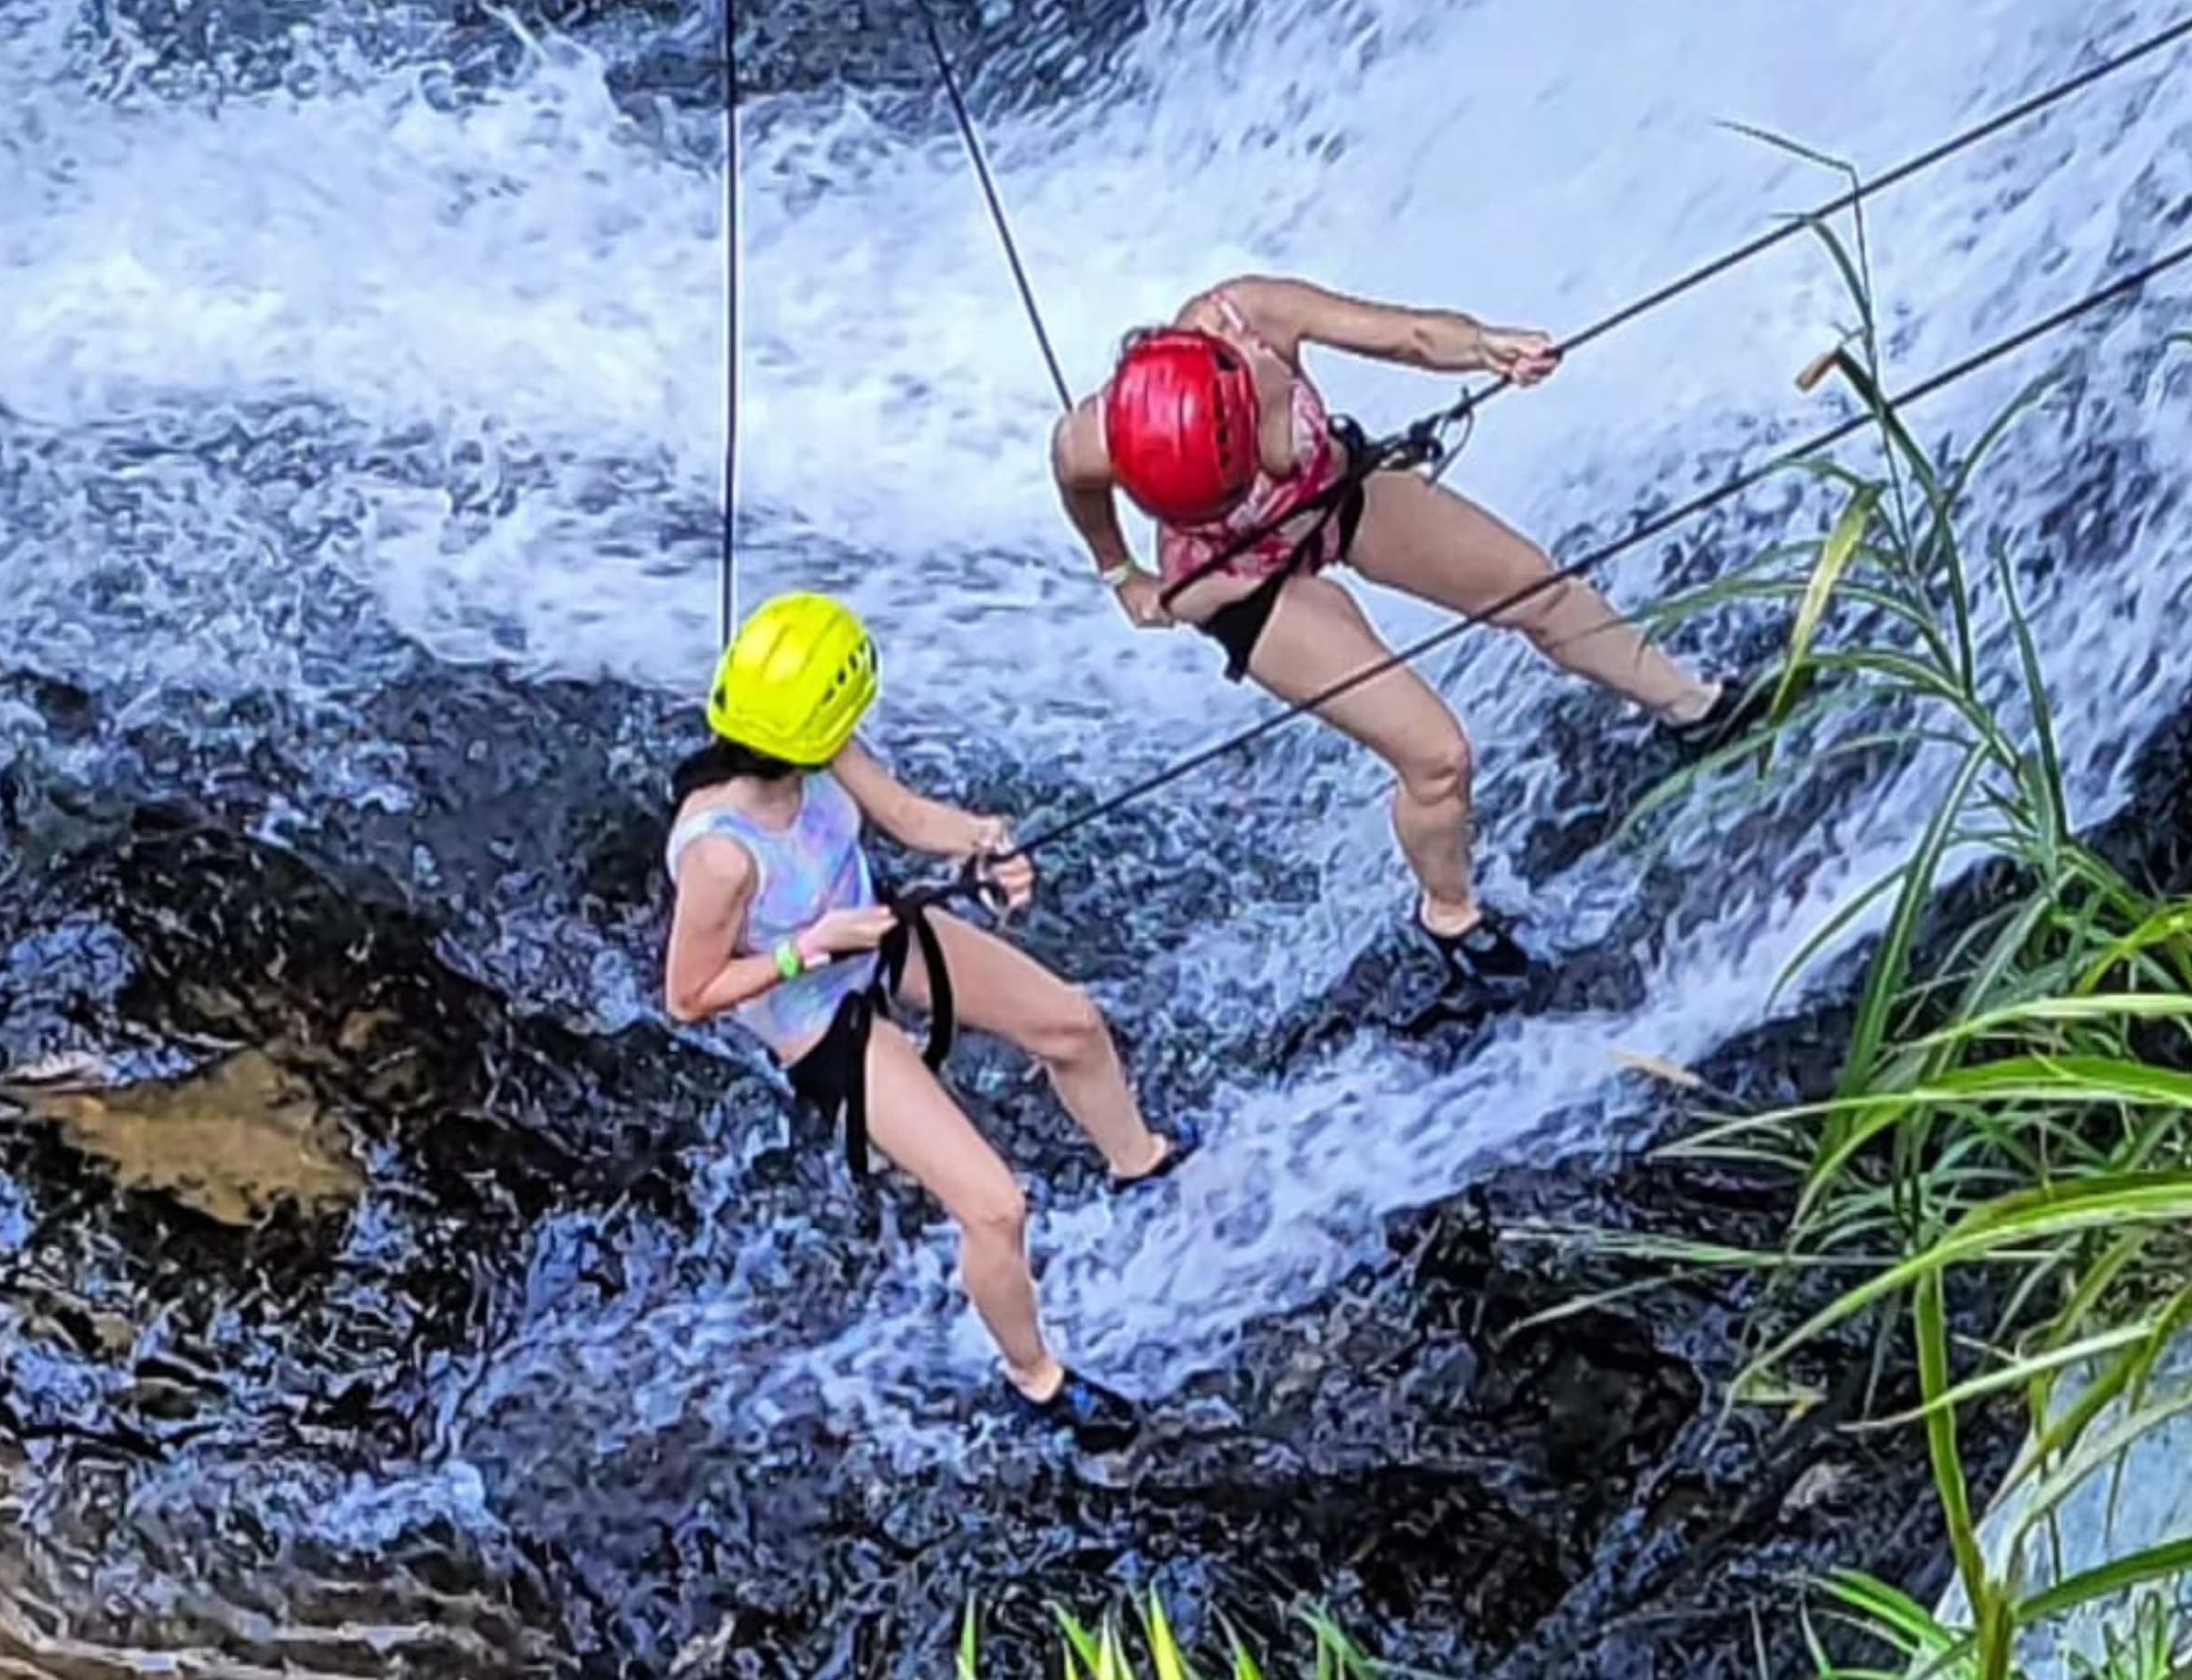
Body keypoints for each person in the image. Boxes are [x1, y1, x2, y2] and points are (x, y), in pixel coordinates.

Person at [1052, 275, 1769, 979]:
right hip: (1240, 583)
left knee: (1538, 589)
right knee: (1437, 758)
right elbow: (1073, 474)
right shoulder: (1098, 435)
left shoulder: (1250, 313)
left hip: (1331, 490)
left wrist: (1486, 346)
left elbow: (1405, 333)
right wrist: (1121, 576)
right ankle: (1449, 914)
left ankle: (1692, 706)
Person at [662, 591, 1186, 1451]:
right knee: (993, 1207)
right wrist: (811, 947)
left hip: (872, 934)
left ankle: (1142, 1162)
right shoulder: (720, 856)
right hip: (820, 1014)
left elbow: (903, 816)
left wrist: (985, 841)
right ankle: (1037, 1381)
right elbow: (688, 995)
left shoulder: (818, 755)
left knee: (1072, 1025)